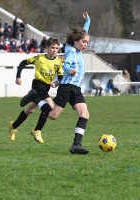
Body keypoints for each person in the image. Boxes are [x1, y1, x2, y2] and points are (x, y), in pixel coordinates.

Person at [20, 12, 91, 155]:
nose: (86, 44)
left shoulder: (78, 49)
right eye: (84, 42)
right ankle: (34, 97)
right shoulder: (71, 51)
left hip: (76, 89)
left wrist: (88, 20)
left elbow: (85, 33)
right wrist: (69, 70)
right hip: (66, 88)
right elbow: (64, 66)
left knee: (84, 114)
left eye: (87, 42)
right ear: (76, 40)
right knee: (53, 116)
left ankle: (76, 145)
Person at [8, 37, 63, 142]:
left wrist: (55, 83)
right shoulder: (39, 58)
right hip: (37, 85)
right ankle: (37, 130)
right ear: (46, 48)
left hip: (46, 88)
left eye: (57, 48)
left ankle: (13, 126)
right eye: (52, 48)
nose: (55, 50)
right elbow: (23, 63)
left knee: (29, 110)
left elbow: (60, 77)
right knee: (51, 110)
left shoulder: (58, 62)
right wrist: (18, 76)